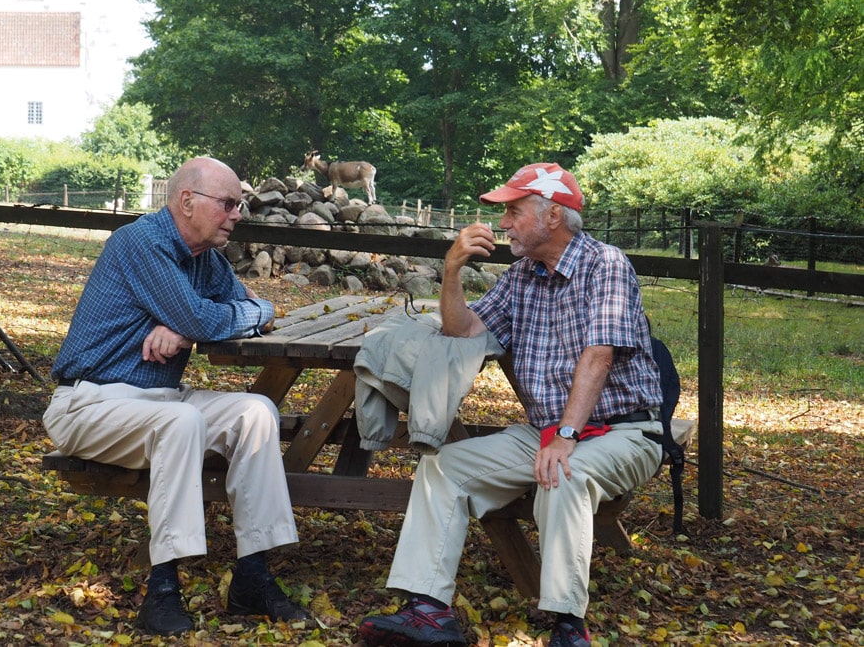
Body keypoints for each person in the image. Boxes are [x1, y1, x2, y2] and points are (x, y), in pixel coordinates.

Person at [358, 163, 664, 647]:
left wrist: (564, 438)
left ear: (554, 217)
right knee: (444, 467)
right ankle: (428, 610)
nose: (503, 224)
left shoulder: (606, 263)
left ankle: (568, 627)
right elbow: (464, 331)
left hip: (624, 432)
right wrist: (452, 269)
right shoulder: (522, 276)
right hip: (548, 433)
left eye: (514, 212)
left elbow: (599, 356)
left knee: (565, 474)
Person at [43, 157, 312, 636]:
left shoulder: (205, 259)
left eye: (240, 205)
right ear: (187, 202)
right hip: (89, 403)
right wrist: (192, 324)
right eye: (228, 204)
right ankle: (162, 588)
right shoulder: (143, 243)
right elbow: (206, 320)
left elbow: (256, 308)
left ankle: (252, 576)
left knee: (257, 411)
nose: (237, 214)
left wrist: (186, 326)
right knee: (183, 423)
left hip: (162, 398)